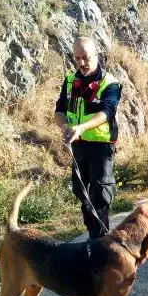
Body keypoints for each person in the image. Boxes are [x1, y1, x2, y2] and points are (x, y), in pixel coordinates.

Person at [54, 37, 122, 238]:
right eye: (77, 58)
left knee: (99, 195)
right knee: (81, 191)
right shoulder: (69, 81)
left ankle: (100, 243)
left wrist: (81, 127)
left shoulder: (110, 83)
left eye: (86, 58)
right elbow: (59, 111)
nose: (82, 63)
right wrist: (65, 126)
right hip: (78, 146)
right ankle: (95, 235)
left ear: (96, 55)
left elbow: (107, 112)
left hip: (101, 147)